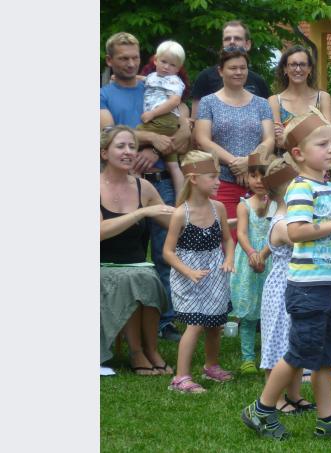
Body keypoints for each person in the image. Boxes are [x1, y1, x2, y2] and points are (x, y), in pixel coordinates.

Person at [240, 108, 331, 440]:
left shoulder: (328, 188)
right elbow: (298, 231)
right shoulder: (301, 189)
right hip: (306, 287)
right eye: (323, 144)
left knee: (327, 353)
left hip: (326, 285)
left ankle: (327, 419)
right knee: (300, 351)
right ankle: (261, 408)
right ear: (298, 154)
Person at [100, 31, 192, 343]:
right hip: (120, 186)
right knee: (126, 256)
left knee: (166, 254)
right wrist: (151, 138)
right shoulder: (102, 95)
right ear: (109, 61)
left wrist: (156, 150)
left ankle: (165, 322)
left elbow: (183, 125)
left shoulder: (156, 83)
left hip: (159, 182)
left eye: (135, 57)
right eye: (122, 58)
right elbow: (107, 132)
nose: (130, 63)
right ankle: (123, 324)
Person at [100, 126, 175, 375]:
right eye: (120, 146)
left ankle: (151, 350)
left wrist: (211, 214)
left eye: (132, 146)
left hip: (136, 268)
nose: (128, 152)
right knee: (138, 278)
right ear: (103, 153)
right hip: (102, 266)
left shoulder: (145, 187)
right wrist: (142, 212)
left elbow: (174, 220)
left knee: (145, 276)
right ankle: (137, 352)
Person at [163, 151, 236, 393]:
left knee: (215, 323)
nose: (218, 181)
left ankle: (211, 365)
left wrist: (228, 259)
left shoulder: (218, 208)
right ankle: (181, 377)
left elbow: (228, 240)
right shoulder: (180, 214)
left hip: (215, 273)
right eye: (212, 176)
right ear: (193, 178)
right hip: (188, 277)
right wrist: (189, 271)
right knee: (195, 324)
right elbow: (168, 252)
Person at [256, 153, 316, 414]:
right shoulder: (282, 224)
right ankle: (275, 396)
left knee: (296, 340)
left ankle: (294, 393)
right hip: (282, 288)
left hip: (297, 285)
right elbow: (306, 240)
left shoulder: (290, 218)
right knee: (278, 341)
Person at [194, 46, 275, 240]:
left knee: (258, 239)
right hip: (221, 181)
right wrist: (235, 163)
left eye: (243, 67)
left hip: (259, 182)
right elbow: (202, 139)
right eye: (232, 68)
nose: (238, 72)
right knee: (226, 238)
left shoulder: (261, 103)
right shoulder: (208, 102)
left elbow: (270, 139)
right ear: (221, 71)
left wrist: (249, 162)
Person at [230, 151, 272, 374]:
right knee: (248, 311)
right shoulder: (244, 205)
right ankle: (247, 357)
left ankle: (268, 353)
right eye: (253, 176)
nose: (258, 181)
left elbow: (275, 232)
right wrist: (252, 253)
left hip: (271, 260)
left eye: (263, 176)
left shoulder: (275, 204)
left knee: (268, 309)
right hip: (249, 260)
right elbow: (242, 233)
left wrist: (263, 254)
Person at [191, 20, 270, 119]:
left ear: (247, 44)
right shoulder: (204, 78)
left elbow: (267, 120)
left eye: (237, 38)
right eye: (227, 39)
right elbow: (195, 123)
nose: (232, 42)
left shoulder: (259, 82)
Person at [137, 40, 187, 196]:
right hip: (164, 121)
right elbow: (144, 80)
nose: (166, 67)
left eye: (172, 65)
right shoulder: (153, 76)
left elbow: (174, 101)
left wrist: (152, 113)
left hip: (163, 118)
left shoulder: (174, 81)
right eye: (163, 62)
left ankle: (137, 189)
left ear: (178, 69)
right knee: (172, 164)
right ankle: (180, 199)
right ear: (155, 60)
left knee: (131, 136)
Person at [269, 45, 331, 152]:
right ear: (285, 68)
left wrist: (288, 136)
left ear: (310, 69)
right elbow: (278, 141)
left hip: (317, 166)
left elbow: (330, 137)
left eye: (303, 64)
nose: (298, 69)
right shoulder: (274, 101)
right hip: (285, 167)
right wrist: (314, 134)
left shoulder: (323, 98)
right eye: (293, 65)